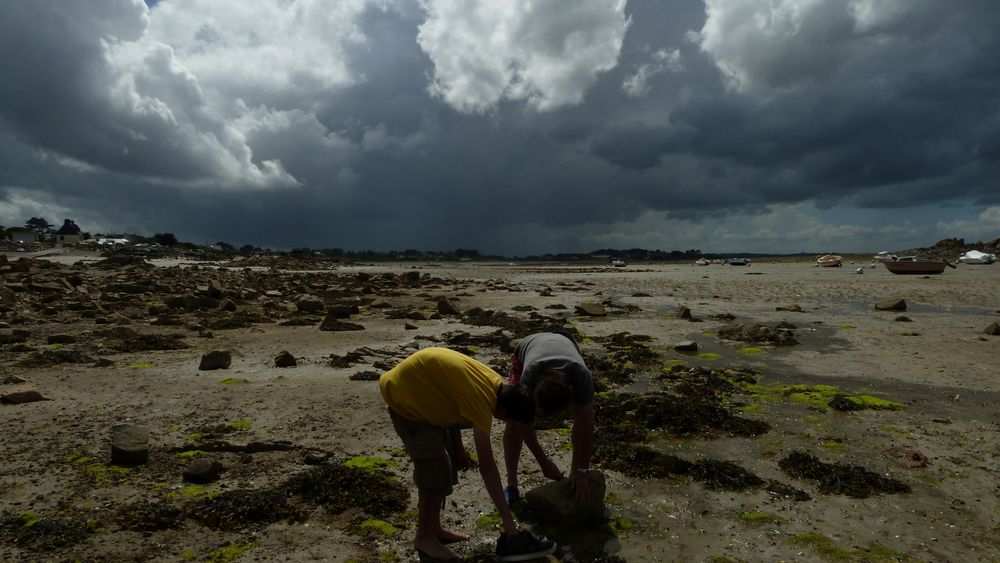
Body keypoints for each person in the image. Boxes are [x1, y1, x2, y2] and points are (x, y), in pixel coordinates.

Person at [379, 347, 555, 561]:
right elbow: (487, 466)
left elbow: (454, 400)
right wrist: (508, 520)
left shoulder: (494, 383)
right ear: (506, 412)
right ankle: (424, 537)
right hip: (403, 397)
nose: (504, 423)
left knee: (448, 463)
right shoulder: (481, 401)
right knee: (434, 468)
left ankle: (434, 529)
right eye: (507, 420)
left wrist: (459, 449)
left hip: (424, 389)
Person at [503, 332, 595, 504]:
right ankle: (511, 484)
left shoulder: (581, 377)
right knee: (514, 421)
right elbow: (524, 425)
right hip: (527, 346)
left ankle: (574, 470)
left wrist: (581, 470)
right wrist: (543, 462)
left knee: (582, 417)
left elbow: (587, 425)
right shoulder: (529, 376)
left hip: (566, 344)